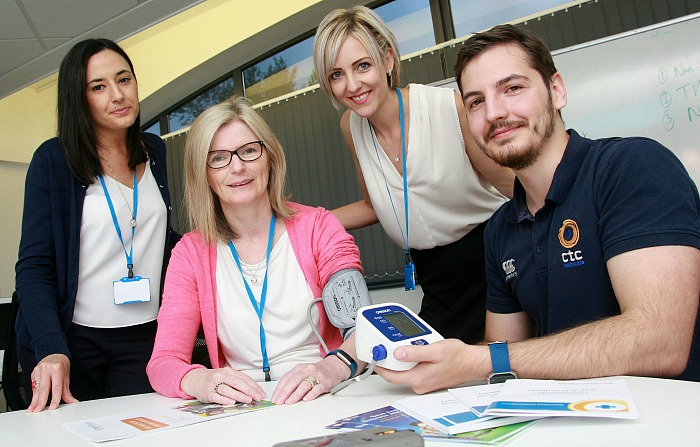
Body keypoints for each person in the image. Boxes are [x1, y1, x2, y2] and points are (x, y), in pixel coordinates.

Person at [377, 24, 700, 393]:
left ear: (557, 90)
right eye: (476, 102)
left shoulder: (632, 167)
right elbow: (500, 351)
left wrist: (483, 361)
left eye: (512, 88)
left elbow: (659, 341)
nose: (495, 112)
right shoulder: (501, 227)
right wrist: (426, 362)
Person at [147, 96, 368, 406]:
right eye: (219, 158)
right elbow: (163, 363)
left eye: (249, 151)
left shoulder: (320, 227)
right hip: (242, 409)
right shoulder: (190, 254)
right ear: (204, 174)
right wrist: (200, 379)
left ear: (270, 158)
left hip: (322, 397)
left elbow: (364, 330)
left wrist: (331, 367)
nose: (238, 167)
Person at [312, 6, 515, 344]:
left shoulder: (447, 107)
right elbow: (375, 204)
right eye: (336, 74)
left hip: (495, 263)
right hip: (436, 282)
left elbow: (514, 187)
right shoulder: (351, 127)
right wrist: (306, 224)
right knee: (412, 376)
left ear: (387, 60)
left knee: (497, 369)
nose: (352, 85)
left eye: (362, 66)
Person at [15, 38, 178, 412]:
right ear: (79, 98)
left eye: (124, 80)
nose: (118, 95)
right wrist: (52, 349)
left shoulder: (153, 150)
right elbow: (34, 267)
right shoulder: (54, 160)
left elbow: (158, 238)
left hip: (145, 336)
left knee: (145, 433)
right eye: (99, 87)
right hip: (74, 341)